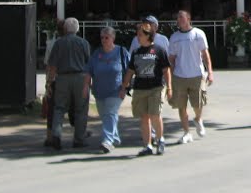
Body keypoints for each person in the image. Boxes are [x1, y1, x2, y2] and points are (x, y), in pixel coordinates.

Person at [122, 25, 172, 156]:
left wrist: (169, 88)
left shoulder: (159, 50)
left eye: (140, 35)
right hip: (140, 88)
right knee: (144, 117)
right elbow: (130, 71)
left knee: (155, 114)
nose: (138, 37)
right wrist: (124, 86)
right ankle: (147, 145)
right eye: (138, 35)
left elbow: (166, 71)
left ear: (148, 35)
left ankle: (160, 140)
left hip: (156, 87)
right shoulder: (136, 52)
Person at [45, 16, 91, 149]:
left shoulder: (59, 43)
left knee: (59, 108)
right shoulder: (84, 43)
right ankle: (79, 139)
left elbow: (52, 65)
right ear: (77, 29)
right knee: (81, 109)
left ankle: (56, 135)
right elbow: (89, 64)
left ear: (65, 28)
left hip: (62, 78)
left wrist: (49, 82)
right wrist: (89, 82)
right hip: (80, 78)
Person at [168, 9, 213, 144]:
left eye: (182, 18)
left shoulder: (198, 34)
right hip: (179, 76)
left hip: (196, 74)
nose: (179, 20)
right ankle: (186, 132)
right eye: (178, 18)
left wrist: (210, 72)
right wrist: (170, 78)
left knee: (198, 103)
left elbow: (205, 54)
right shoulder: (174, 37)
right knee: (181, 106)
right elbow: (172, 58)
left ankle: (198, 118)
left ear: (188, 19)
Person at [85, 26, 129, 154]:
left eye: (107, 37)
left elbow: (129, 71)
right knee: (106, 116)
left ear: (113, 38)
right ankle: (114, 137)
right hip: (99, 91)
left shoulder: (121, 52)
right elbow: (89, 71)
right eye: (102, 38)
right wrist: (86, 87)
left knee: (110, 113)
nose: (104, 40)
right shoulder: (96, 54)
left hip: (116, 90)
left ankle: (107, 141)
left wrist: (124, 87)